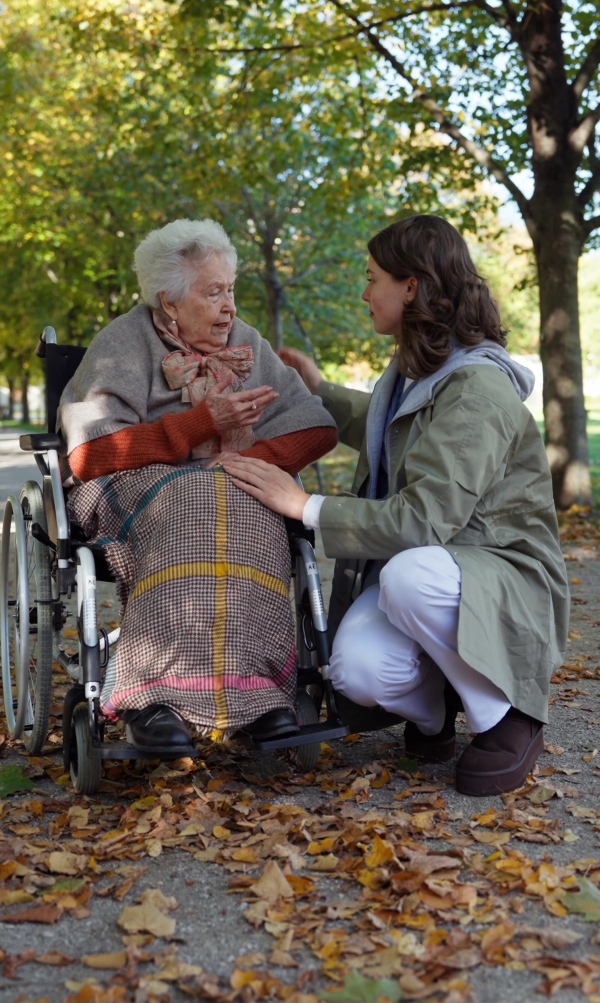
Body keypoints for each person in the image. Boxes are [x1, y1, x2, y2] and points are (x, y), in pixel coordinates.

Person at [219, 214, 570, 796]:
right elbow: (391, 430)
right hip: (448, 574)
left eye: (372, 276)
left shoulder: (476, 389)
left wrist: (304, 504)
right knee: (353, 670)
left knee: (407, 575)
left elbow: (421, 522)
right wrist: (318, 391)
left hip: (503, 575)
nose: (363, 291)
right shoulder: (419, 369)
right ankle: (433, 718)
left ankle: (506, 718)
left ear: (412, 286)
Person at [58, 218, 337, 754]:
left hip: (223, 485)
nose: (229, 306)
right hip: (128, 487)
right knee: (192, 501)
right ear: (170, 303)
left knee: (243, 501)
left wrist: (248, 464)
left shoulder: (246, 342)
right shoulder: (121, 343)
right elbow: (92, 453)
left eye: (231, 289)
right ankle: (152, 697)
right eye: (214, 293)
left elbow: (316, 426)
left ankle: (256, 692)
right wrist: (202, 423)